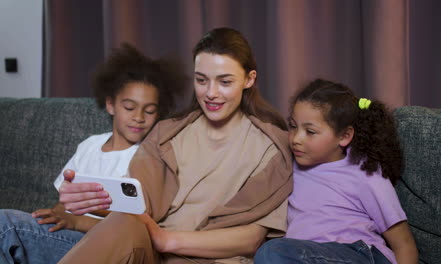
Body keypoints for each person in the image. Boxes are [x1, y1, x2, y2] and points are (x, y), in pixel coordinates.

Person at [57, 27, 293, 264]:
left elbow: (252, 239)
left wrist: (168, 240)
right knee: (124, 222)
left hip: (210, 260)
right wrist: (92, 199)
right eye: (201, 80)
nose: (211, 93)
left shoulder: (272, 148)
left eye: (224, 82)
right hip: (150, 252)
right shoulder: (166, 134)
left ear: (249, 79)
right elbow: (136, 205)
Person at [0, 43, 186, 264]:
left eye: (149, 110)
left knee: (6, 225)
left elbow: (133, 229)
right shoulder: (90, 145)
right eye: (129, 107)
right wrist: (57, 214)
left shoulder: (147, 159)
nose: (139, 117)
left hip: (97, 245)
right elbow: (64, 199)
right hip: (66, 237)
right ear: (110, 105)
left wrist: (77, 222)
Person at [254, 79, 419, 264]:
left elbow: (404, 244)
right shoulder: (287, 165)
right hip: (307, 256)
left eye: (310, 131)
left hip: (362, 255)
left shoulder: (364, 172)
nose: (296, 139)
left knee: (272, 253)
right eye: (293, 126)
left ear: (344, 136)